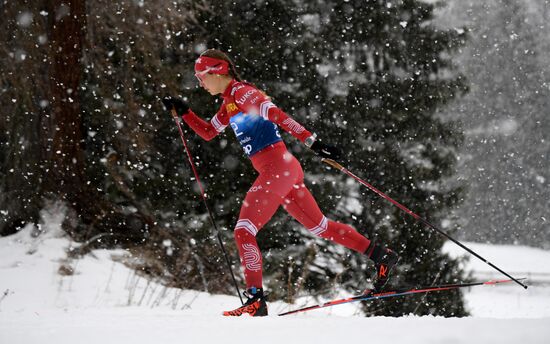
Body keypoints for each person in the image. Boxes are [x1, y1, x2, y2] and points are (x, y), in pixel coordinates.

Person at [162, 49, 399, 317]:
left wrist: (313, 142)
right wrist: (185, 112)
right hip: (284, 170)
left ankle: (255, 300)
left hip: (278, 169)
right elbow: (207, 132)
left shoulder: (243, 92)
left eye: (201, 76)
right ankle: (380, 255)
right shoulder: (229, 102)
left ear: (218, 71)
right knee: (320, 227)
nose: (199, 83)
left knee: (243, 230)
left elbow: (276, 114)